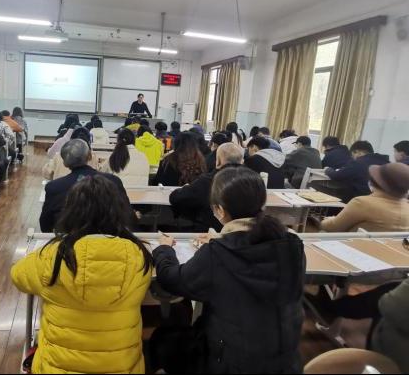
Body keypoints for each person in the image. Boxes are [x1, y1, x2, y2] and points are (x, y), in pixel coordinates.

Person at [151, 166, 306, 374]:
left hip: (230, 363)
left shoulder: (218, 253)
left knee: (161, 340)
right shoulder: (293, 245)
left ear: (220, 210)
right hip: (286, 362)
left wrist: (164, 250)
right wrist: (221, 239)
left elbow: (172, 279)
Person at [12, 175, 152, 374]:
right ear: (119, 211)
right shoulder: (138, 256)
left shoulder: (53, 256)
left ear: (71, 212)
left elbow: (17, 276)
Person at [306, 279, 409, 374]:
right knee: (391, 288)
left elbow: (387, 304)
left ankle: (331, 308)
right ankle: (333, 308)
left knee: (384, 296)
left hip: (393, 357)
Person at [39, 139, 130, 233]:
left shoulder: (54, 187)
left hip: (68, 238)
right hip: (108, 237)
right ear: (89, 156)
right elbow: (127, 214)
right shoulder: (113, 181)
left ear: (65, 163)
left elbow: (45, 225)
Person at [169, 143, 244, 232]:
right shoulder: (253, 180)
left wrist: (186, 189)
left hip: (210, 233)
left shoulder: (207, 181)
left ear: (218, 162)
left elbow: (175, 198)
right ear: (242, 161)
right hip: (246, 234)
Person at [319, 163, 409, 233]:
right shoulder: (406, 207)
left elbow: (333, 228)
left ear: (374, 182)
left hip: (354, 247)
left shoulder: (362, 203)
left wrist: (326, 221)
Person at [324, 140, 389, 202]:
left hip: (363, 201)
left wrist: (328, 170)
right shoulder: (387, 163)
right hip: (385, 202)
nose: (352, 158)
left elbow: (336, 176)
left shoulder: (359, 163)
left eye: (352, 155)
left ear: (356, 152)